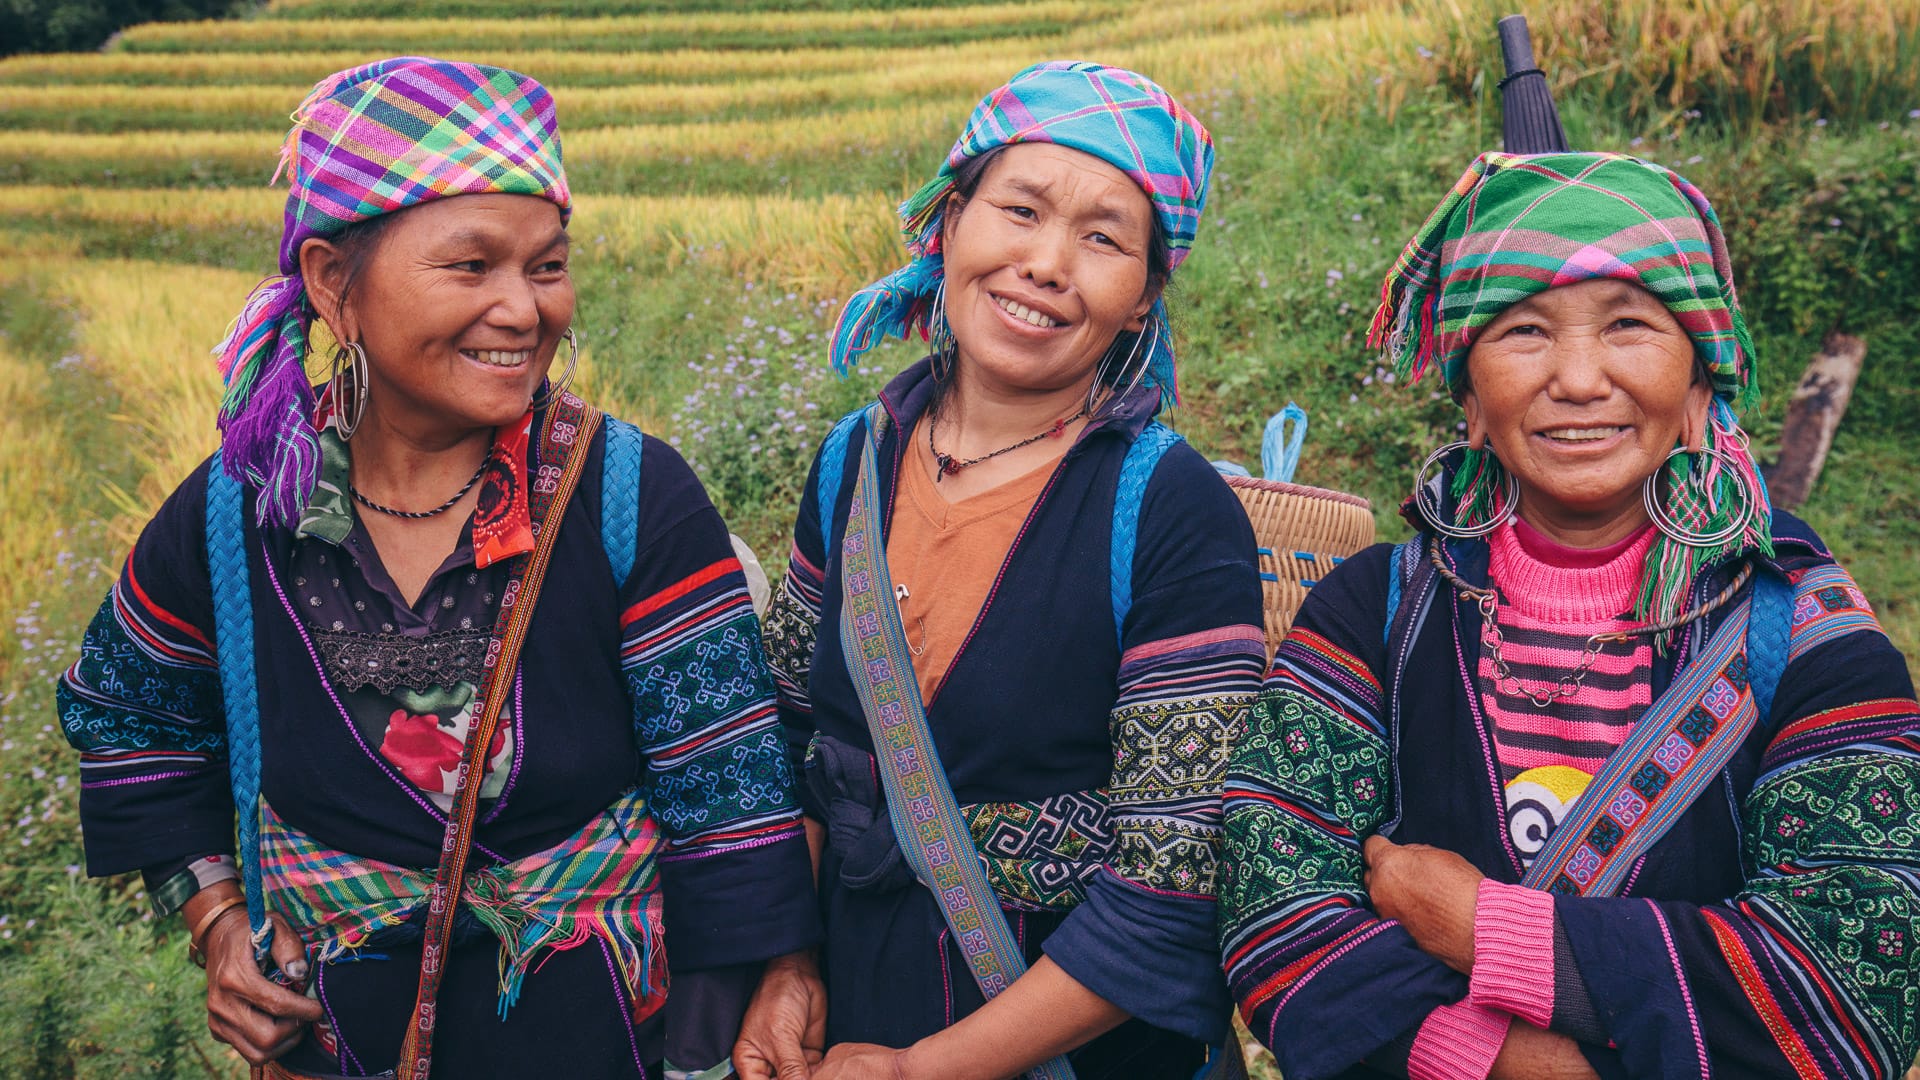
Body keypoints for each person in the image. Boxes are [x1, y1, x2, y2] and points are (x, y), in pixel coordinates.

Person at [56, 56, 817, 1079]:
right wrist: (217, 920)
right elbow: (127, 717)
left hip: (605, 1041)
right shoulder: (240, 508)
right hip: (333, 1047)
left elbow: (729, 794)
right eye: (472, 267)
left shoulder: (628, 495)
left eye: (546, 266)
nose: (523, 309)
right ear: (335, 283)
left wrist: (746, 1012)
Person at [1219, 150, 1920, 1079]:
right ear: (1469, 397)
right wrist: (1507, 1058)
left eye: (1630, 324)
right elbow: (1274, 910)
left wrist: (1488, 931)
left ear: (1701, 386)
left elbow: (1858, 975)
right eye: (1524, 333)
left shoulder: (1802, 631)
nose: (1580, 379)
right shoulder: (1373, 612)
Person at [733, 61, 1267, 1080]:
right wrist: (788, 966)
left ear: (1145, 289)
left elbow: (1173, 886)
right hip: (853, 1011)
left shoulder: (1168, 510)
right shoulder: (855, 461)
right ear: (948, 223)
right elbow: (796, 740)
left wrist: (924, 1071)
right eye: (1019, 210)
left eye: (1104, 237)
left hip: (1077, 1047)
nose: (1047, 262)